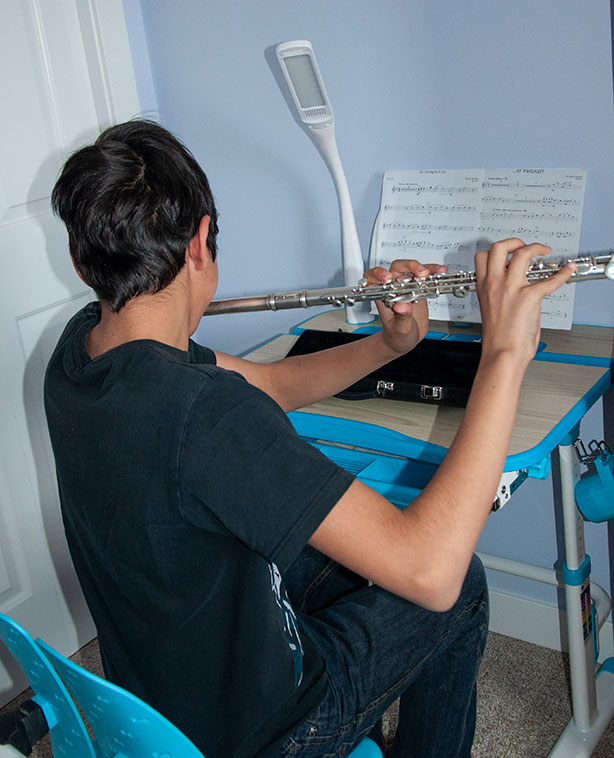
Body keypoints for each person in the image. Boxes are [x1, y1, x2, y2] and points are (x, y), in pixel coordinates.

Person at [44, 119, 575, 758]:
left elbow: (267, 384)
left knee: (354, 569)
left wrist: (392, 344)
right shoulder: (206, 414)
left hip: (166, 687)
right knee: (461, 587)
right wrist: (506, 353)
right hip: (264, 734)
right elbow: (430, 571)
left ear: (83, 260)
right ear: (199, 243)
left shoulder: (83, 349)